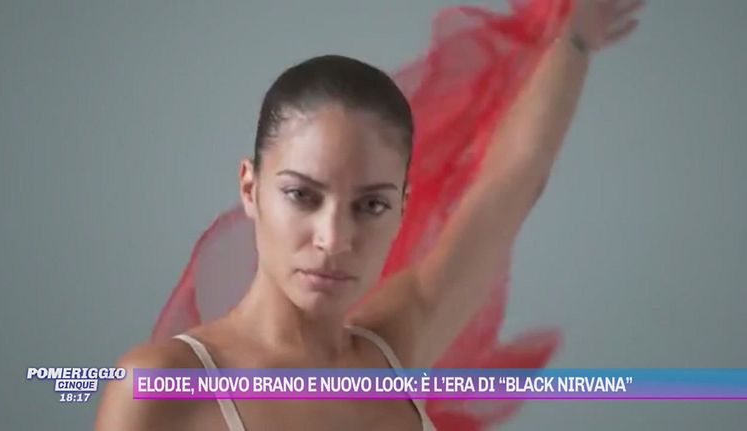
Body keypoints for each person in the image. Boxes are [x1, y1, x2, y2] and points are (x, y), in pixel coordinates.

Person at [94, 0, 643, 429]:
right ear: (250, 188)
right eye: (302, 195)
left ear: (401, 207)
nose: (334, 238)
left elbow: (510, 186)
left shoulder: (395, 348)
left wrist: (574, 39)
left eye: (371, 205)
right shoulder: (162, 387)